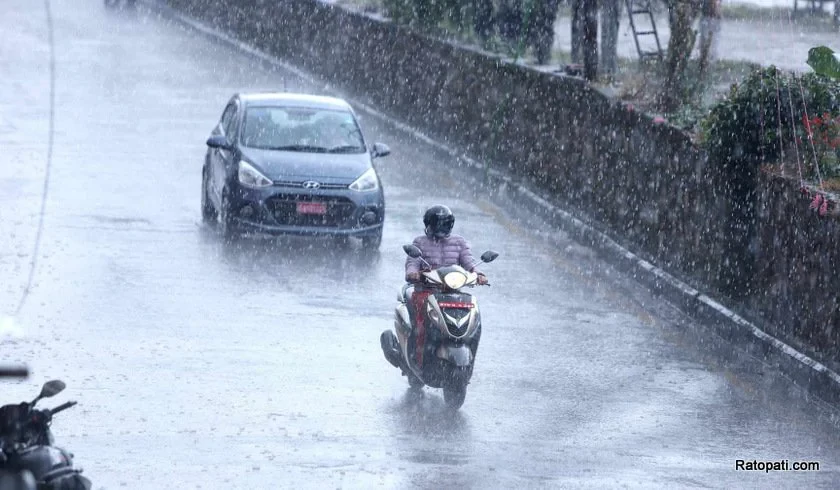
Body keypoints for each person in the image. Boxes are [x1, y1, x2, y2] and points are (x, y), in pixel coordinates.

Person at [404, 205, 488, 368]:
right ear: (429, 223)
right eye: (438, 223)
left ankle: (468, 354)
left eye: (445, 223)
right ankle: (417, 358)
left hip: (452, 292)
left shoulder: (459, 242)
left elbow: (469, 263)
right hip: (426, 292)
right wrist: (413, 273)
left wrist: (479, 274)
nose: (441, 227)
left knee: (474, 316)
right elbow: (412, 263)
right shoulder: (419, 242)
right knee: (420, 323)